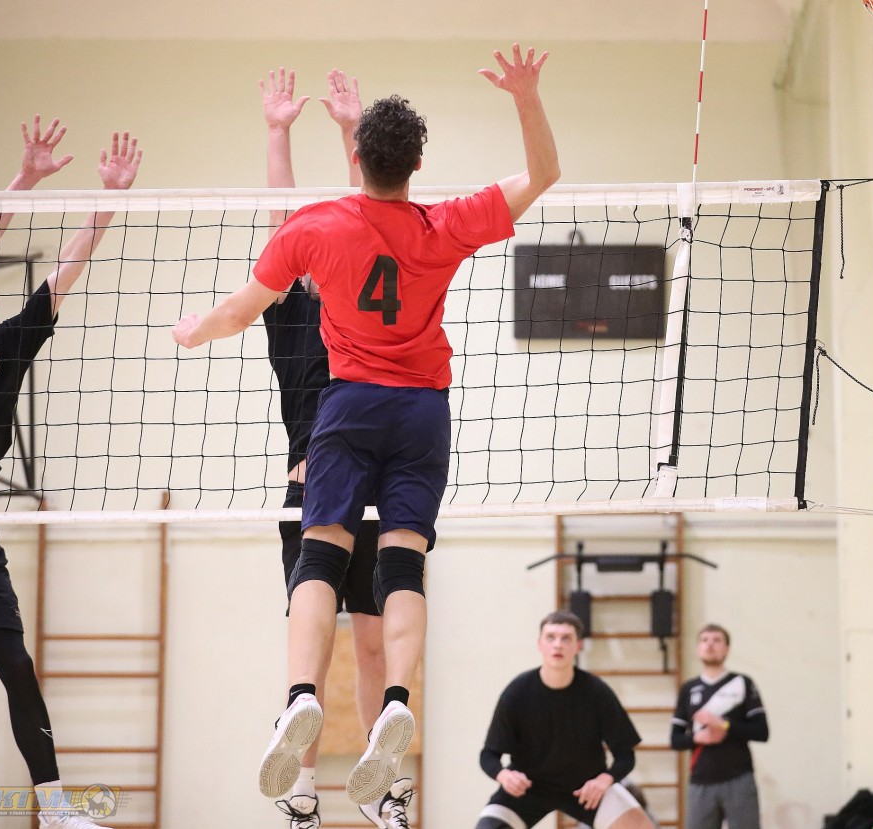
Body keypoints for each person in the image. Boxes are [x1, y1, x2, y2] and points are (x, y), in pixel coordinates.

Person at [172, 41, 559, 808]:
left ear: (356, 157)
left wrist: (194, 331)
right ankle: (397, 703)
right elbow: (544, 174)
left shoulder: (317, 230)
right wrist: (524, 96)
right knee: (404, 563)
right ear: (418, 164)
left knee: (320, 555)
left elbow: (241, 308)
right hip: (422, 410)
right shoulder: (444, 223)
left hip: (348, 408)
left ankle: (301, 692)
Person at [0, 117, 141, 829]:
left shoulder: (7, 347)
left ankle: (56, 808)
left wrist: (108, 202)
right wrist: (25, 179)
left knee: (16, 665)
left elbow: (64, 273)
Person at [259, 65, 412, 829]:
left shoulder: (369, 312)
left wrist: (352, 131)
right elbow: (284, 225)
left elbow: (375, 221)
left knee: (375, 647)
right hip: (312, 487)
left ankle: (383, 785)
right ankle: (302, 787)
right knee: (311, 653)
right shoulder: (290, 313)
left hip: (376, 488)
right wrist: (278, 132)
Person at [473, 611, 656, 829]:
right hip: (528, 790)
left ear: (578, 646)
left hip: (586, 789)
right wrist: (504, 775)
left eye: (566, 638)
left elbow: (625, 755)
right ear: (539, 644)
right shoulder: (517, 692)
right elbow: (488, 755)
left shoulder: (597, 692)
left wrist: (604, 780)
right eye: (550, 637)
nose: (557, 645)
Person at [670, 624, 769, 829]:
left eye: (716, 640)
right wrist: (697, 738)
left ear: (727, 649)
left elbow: (761, 732)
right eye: (704, 640)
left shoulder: (742, 683)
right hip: (701, 781)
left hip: (739, 779)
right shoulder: (688, 689)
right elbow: (675, 740)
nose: (710, 645)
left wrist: (725, 725)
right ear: (698, 648)